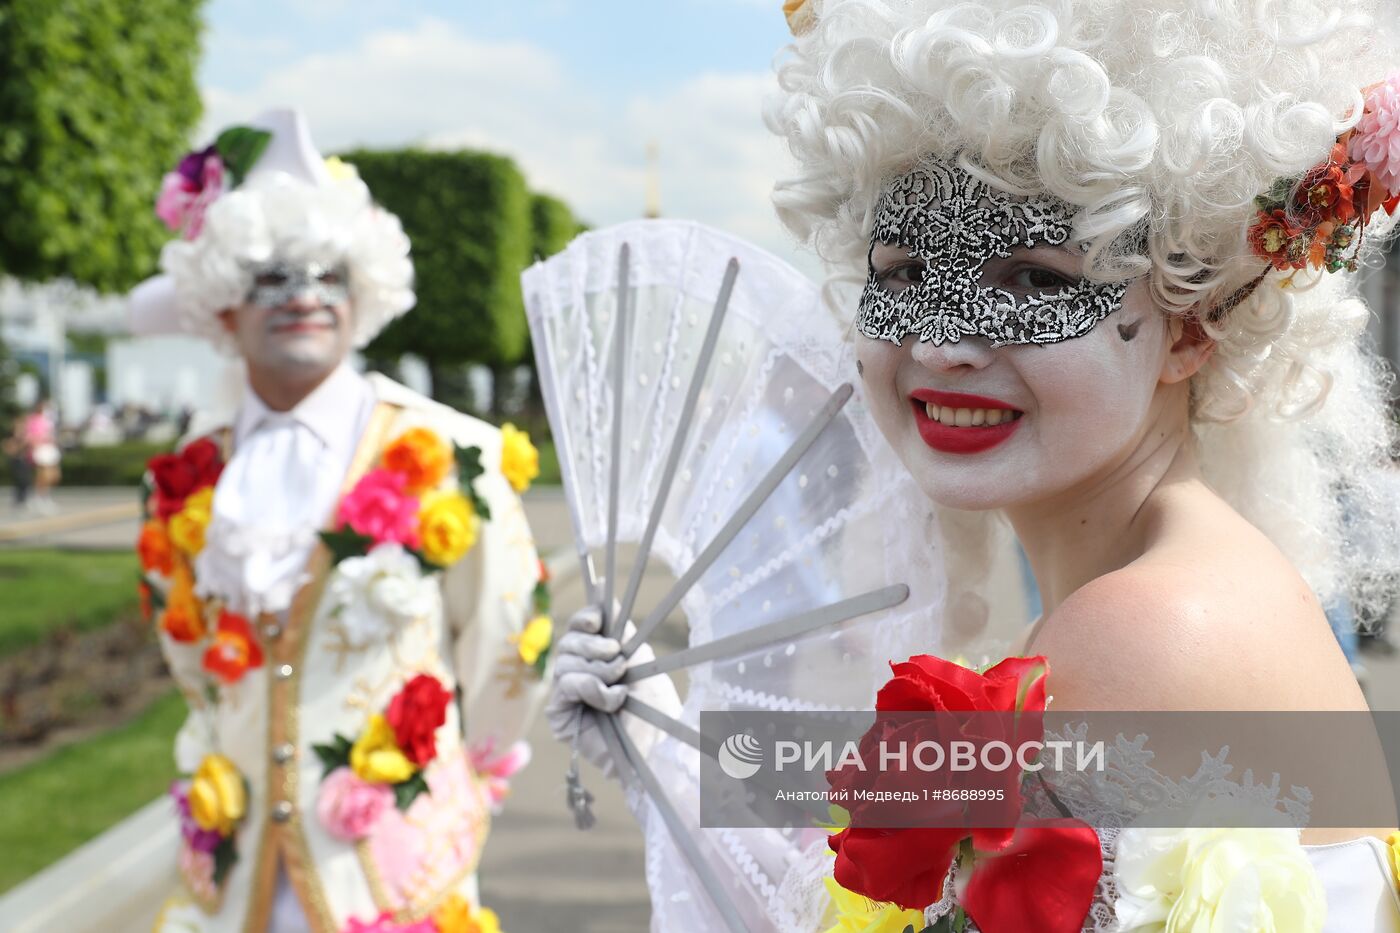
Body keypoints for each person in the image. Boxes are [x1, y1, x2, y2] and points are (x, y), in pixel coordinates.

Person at [547, 0, 1400, 929]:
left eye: (1037, 278)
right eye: (905, 270)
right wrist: (667, 757)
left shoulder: (1140, 631)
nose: (943, 341)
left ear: (1194, 322)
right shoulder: (1185, 579)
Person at [130, 109, 551, 933]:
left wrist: (459, 787)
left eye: (328, 274)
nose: (306, 297)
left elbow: (507, 649)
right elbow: (192, 660)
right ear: (222, 304)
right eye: (273, 277)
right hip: (234, 868)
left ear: (363, 290)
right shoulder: (186, 475)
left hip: (398, 879)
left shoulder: (453, 451)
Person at [24, 397, 60, 513]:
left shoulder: (48, 419)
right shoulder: (32, 420)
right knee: (43, 475)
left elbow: (51, 433)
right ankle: (40, 498)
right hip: (40, 449)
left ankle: (42, 496)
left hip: (49, 449)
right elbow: (29, 436)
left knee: (53, 475)